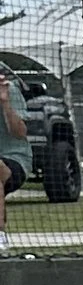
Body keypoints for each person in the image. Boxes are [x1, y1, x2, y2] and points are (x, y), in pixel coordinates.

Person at [0, 67, 28, 251]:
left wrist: (5, 102)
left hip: (13, 158)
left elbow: (20, 133)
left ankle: (0, 235)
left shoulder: (8, 89)